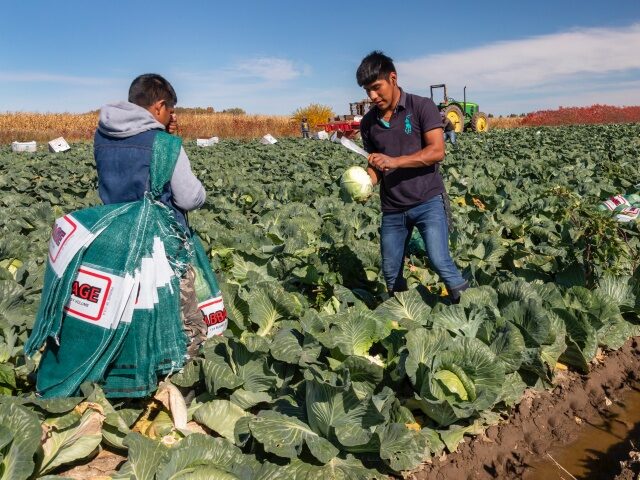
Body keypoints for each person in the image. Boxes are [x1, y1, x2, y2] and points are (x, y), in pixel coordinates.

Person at [94, 73, 208, 357]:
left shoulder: (102, 136)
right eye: (170, 109)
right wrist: (171, 145)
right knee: (183, 322)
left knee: (133, 313)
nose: (171, 115)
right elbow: (188, 197)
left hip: (117, 239)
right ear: (158, 106)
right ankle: (181, 379)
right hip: (161, 246)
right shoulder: (164, 144)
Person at [356, 51, 469, 302]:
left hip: (427, 201)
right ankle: (404, 321)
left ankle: (471, 307)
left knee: (440, 261)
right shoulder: (368, 123)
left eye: (376, 88)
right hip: (393, 208)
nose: (372, 96)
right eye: (367, 91)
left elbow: (437, 152)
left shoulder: (421, 107)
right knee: (390, 272)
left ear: (392, 78)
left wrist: (394, 161)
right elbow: (376, 166)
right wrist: (367, 182)